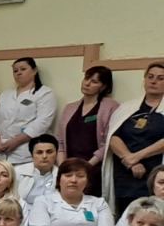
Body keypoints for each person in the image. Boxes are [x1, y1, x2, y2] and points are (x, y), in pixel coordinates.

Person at [104, 62, 164, 217]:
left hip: (155, 173)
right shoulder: (127, 107)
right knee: (126, 217)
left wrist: (137, 156)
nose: (154, 81)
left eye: (160, 78)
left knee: (153, 216)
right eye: (150, 77)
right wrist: (130, 161)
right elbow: (113, 136)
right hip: (125, 174)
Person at [56, 65, 118, 196]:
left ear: (103, 87)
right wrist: (63, 167)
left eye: (94, 81)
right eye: (86, 78)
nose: (87, 83)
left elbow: (109, 142)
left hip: (95, 167)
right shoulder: (69, 108)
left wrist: (86, 166)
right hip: (70, 168)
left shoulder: (110, 106)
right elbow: (60, 141)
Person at [0, 57, 57, 166]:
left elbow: (42, 122)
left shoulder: (44, 93)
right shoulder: (6, 94)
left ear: (34, 71)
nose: (18, 73)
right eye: (15, 71)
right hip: (1, 150)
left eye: (23, 69)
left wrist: (16, 141)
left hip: (25, 151)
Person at [16, 134, 62, 211]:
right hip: (21, 213)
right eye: (39, 152)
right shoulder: (17, 172)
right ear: (32, 155)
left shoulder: (62, 175)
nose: (44, 156)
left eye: (49, 152)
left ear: (56, 153)